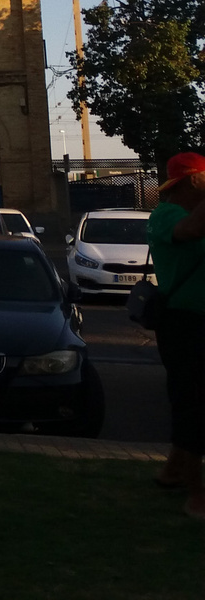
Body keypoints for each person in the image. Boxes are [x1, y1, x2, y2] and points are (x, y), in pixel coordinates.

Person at [148, 151, 205, 518]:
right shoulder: (166, 214)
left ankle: (172, 471)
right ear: (195, 182)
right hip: (184, 322)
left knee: (193, 399)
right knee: (194, 404)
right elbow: (192, 231)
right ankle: (197, 496)